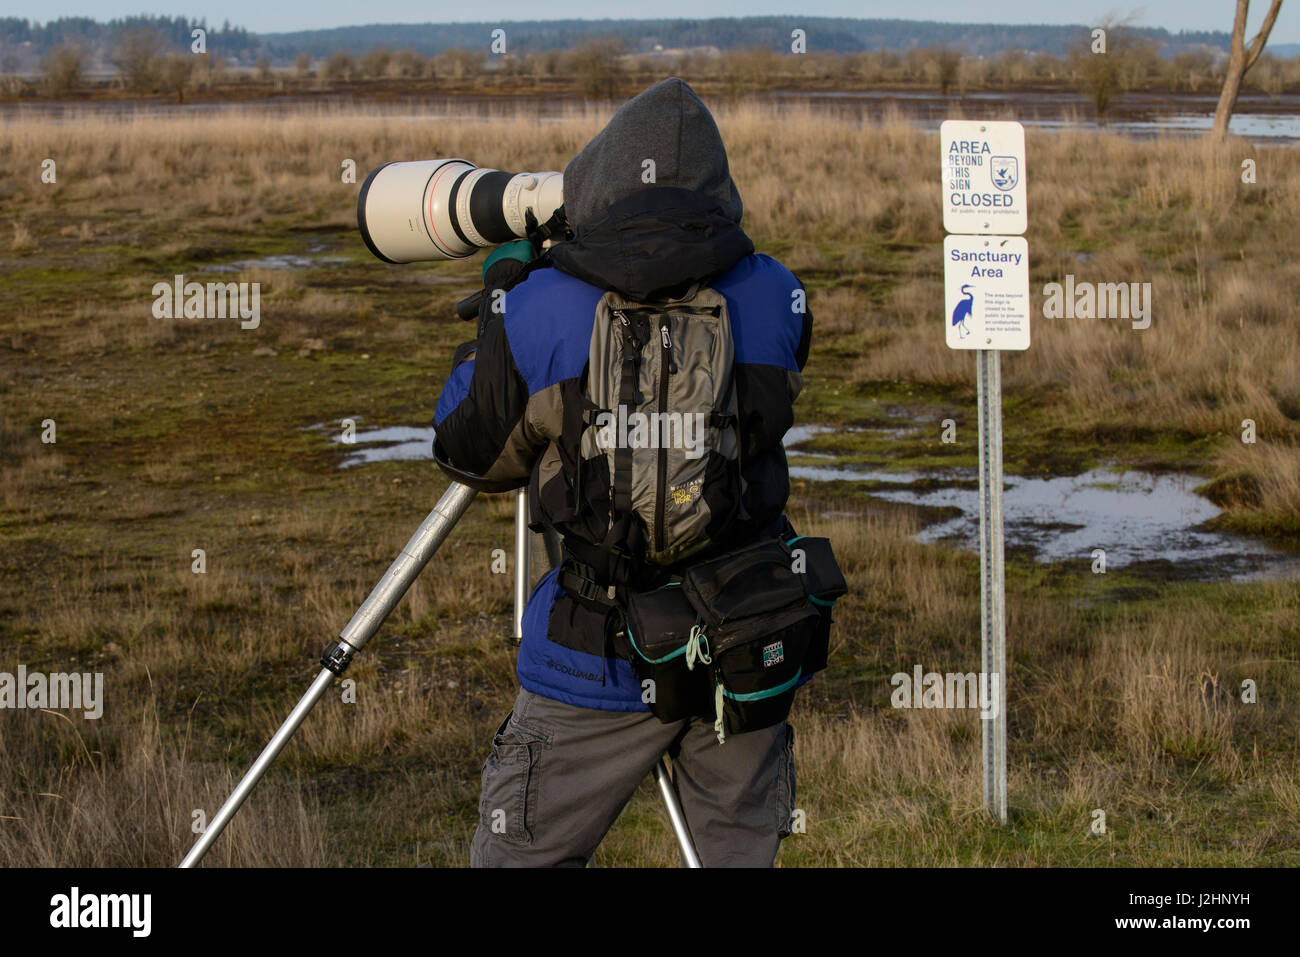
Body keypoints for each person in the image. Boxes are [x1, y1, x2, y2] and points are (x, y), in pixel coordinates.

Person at [434, 77, 813, 867]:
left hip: (591, 659)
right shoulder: (778, 296)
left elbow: (467, 450)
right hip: (741, 647)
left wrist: (502, 317)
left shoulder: (543, 308)